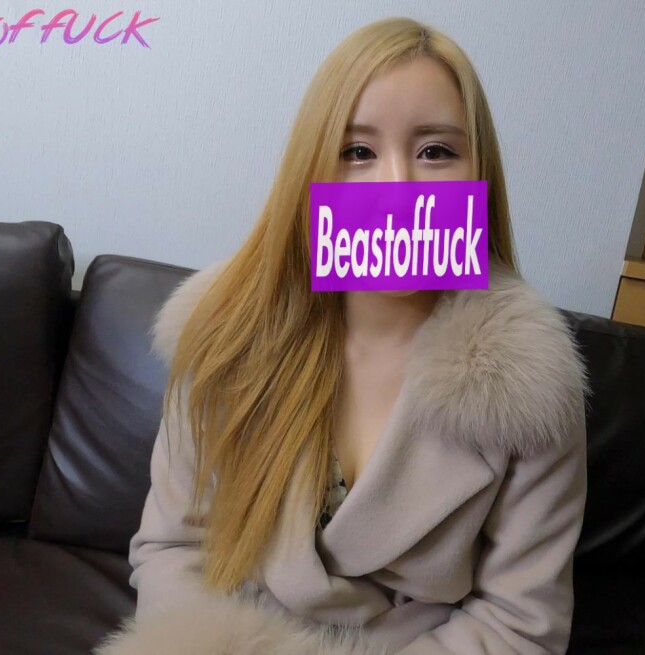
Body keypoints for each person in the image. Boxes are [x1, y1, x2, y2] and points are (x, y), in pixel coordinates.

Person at [95, 16, 590, 655]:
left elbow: (519, 622)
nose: (397, 184)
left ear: (480, 175)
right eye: (357, 152)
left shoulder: (532, 385)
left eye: (436, 151)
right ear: (311, 173)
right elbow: (173, 546)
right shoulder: (226, 333)